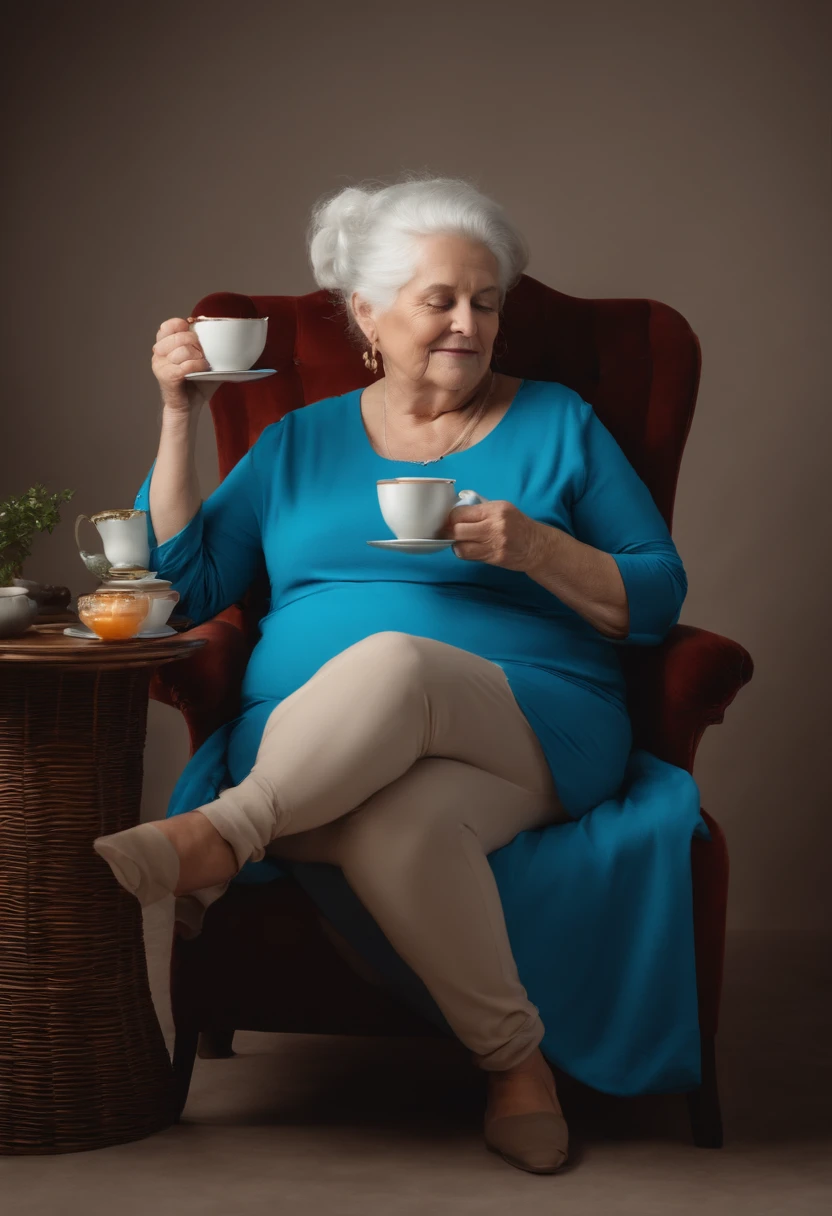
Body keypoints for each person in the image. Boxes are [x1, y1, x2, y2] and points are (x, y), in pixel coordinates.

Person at [93, 174, 687, 1176]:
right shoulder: (296, 442)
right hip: (318, 746)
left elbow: (656, 595)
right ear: (365, 314)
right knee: (396, 821)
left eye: (486, 300)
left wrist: (537, 549)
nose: (469, 322)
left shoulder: (558, 423)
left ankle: (224, 835)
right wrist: (178, 412)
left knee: (395, 660)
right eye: (440, 299)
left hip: (536, 725)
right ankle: (516, 1066)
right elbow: (182, 590)